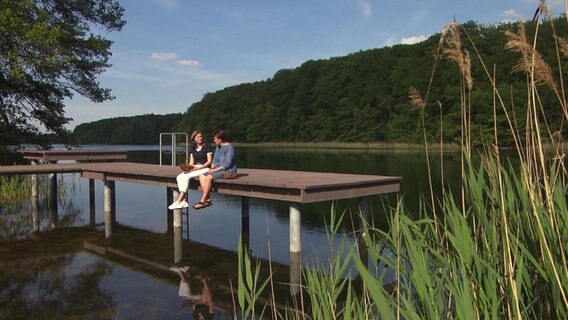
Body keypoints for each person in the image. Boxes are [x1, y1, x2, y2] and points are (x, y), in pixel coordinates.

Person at [168, 130, 213, 209]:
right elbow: (191, 162)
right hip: (196, 167)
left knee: (186, 177)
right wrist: (189, 168)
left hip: (205, 168)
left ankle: (179, 200)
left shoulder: (207, 146)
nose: (200, 138)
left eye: (201, 136)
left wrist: (199, 167)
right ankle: (184, 201)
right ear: (194, 139)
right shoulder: (192, 148)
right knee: (179, 176)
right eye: (198, 137)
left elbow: (209, 161)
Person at [193, 129, 237, 210]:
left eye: (215, 139)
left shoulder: (229, 148)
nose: (214, 140)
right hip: (218, 170)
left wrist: (213, 171)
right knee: (202, 175)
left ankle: (202, 200)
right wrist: (212, 167)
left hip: (229, 171)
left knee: (209, 177)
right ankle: (208, 199)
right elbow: (214, 161)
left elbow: (227, 164)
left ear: (220, 139)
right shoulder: (218, 147)